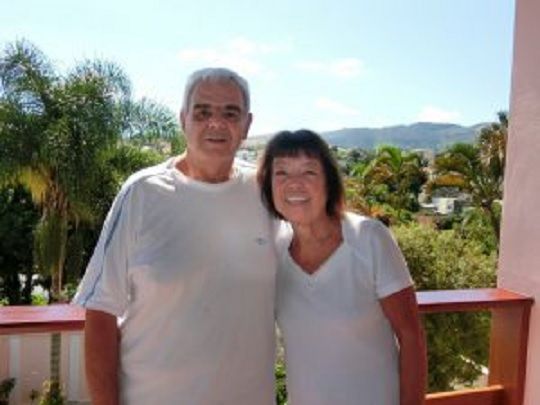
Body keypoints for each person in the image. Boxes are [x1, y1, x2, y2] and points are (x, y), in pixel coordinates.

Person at [73, 68, 278, 405]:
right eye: (202, 112)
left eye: (230, 113)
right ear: (183, 119)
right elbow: (100, 312)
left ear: (247, 124)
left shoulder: (267, 193)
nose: (216, 123)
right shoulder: (142, 193)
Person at [257, 129, 427, 405]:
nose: (294, 183)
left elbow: (411, 336)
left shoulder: (369, 238)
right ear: (269, 186)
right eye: (282, 173)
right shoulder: (274, 252)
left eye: (309, 172)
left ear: (329, 182)